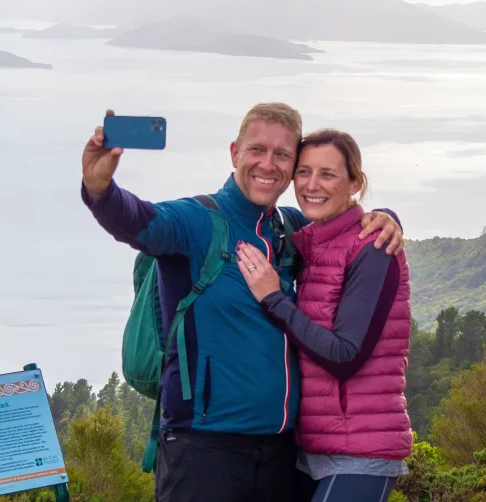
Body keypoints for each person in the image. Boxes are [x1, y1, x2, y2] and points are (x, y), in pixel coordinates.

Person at [80, 103, 405, 502]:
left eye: (283, 155)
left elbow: (344, 226)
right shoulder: (197, 220)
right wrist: (101, 191)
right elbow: (140, 220)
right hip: (203, 450)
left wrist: (386, 217)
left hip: (281, 454)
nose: (268, 164)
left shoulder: (291, 227)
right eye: (257, 150)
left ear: (291, 167)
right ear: (235, 153)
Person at [236, 129, 413, 502]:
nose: (312, 185)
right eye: (304, 172)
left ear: (355, 183)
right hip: (310, 449)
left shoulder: (374, 247)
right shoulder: (312, 244)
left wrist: (273, 298)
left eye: (328, 174)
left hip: (361, 452)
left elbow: (345, 354)